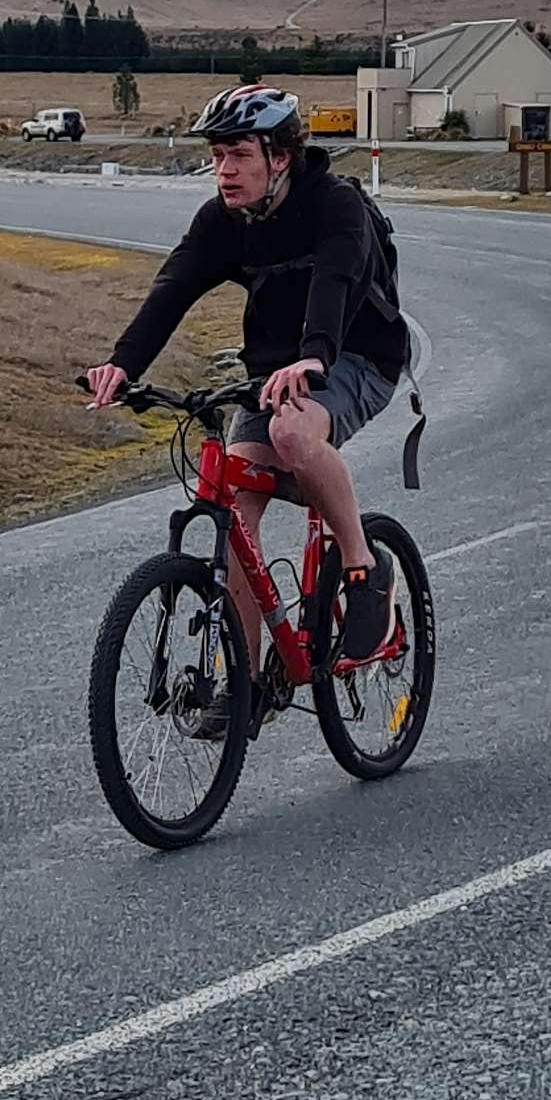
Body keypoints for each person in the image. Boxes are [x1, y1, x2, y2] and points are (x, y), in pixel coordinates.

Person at [83, 83, 409, 671]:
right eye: (217, 156)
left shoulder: (334, 205)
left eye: (238, 155)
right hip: (272, 372)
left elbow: (335, 281)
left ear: (279, 156)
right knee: (233, 514)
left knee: (292, 434)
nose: (224, 171)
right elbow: (173, 286)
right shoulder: (223, 220)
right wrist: (122, 363)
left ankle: (364, 566)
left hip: (356, 355)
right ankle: (246, 684)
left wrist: (314, 355)